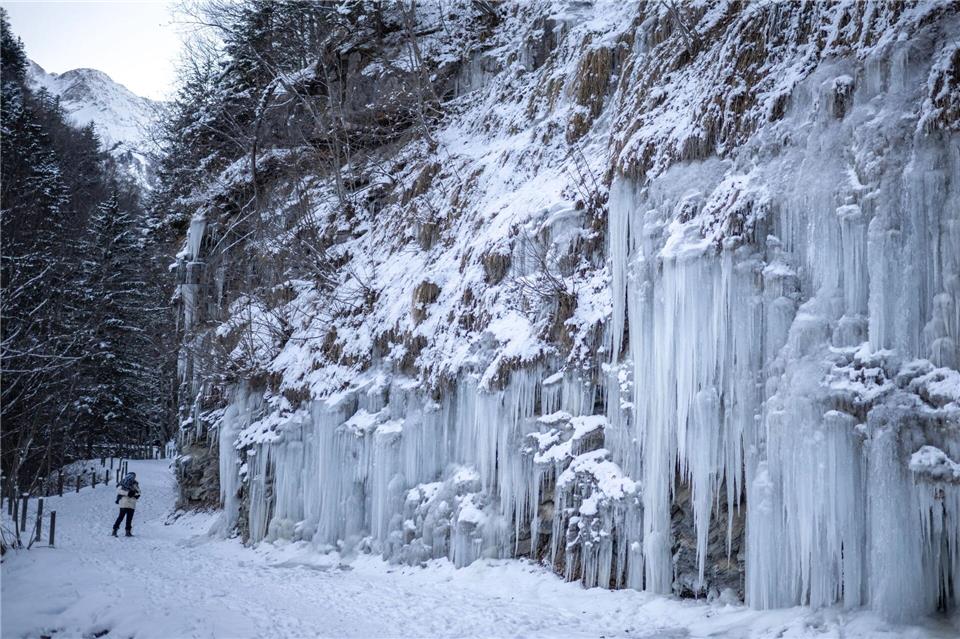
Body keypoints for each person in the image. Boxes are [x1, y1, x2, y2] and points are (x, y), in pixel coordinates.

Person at [112, 472, 140, 537]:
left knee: (129, 519)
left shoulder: (135, 484)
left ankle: (128, 532)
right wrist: (128, 493)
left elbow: (139, 492)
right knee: (120, 517)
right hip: (124, 503)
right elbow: (118, 491)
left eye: (134, 476)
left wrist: (135, 494)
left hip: (132, 503)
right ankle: (114, 530)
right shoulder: (123, 482)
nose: (133, 477)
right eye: (132, 476)